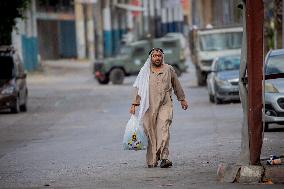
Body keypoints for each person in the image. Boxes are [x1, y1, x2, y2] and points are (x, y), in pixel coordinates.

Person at [129, 48, 188, 168]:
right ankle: (152, 159)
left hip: (165, 104)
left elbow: (176, 84)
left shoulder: (169, 69)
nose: (157, 58)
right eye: (154, 56)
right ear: (151, 58)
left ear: (163, 57)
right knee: (151, 132)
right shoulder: (145, 71)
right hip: (148, 105)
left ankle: (164, 157)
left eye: (159, 56)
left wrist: (182, 99)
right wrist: (134, 104)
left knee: (163, 129)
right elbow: (138, 88)